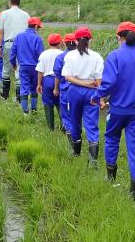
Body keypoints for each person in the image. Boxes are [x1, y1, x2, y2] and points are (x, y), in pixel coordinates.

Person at [98, 22, 135, 200]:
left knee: (111, 140)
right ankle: (134, 192)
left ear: (119, 37)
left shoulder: (114, 56)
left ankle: (111, 177)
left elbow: (109, 83)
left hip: (118, 109)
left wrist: (98, 95)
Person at [62, 27, 104, 166]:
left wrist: (81, 83)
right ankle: (93, 160)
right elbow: (99, 80)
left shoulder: (70, 56)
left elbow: (67, 77)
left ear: (75, 40)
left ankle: (76, 152)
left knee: (74, 121)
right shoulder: (97, 56)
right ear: (90, 40)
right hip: (92, 91)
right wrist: (101, 97)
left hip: (74, 91)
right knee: (92, 123)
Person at [0, 0, 30, 101]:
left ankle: (4, 96)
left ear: (10, 2)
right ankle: (18, 97)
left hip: (9, 44)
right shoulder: (26, 15)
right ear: (19, 2)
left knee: (6, 69)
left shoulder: (4, 14)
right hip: (22, 45)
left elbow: (0, 32)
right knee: (19, 70)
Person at [10, 17, 44, 115]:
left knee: (24, 87)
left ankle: (25, 112)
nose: (39, 29)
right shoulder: (37, 38)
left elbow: (13, 52)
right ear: (36, 26)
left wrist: (13, 64)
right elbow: (41, 55)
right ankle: (34, 110)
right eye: (39, 27)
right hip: (35, 67)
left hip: (23, 66)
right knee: (34, 88)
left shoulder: (19, 36)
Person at [36, 33, 64, 130]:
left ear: (49, 43)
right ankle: (64, 127)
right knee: (61, 104)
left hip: (47, 79)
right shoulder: (62, 54)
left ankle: (50, 127)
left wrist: (39, 84)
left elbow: (40, 71)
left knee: (48, 104)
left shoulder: (44, 54)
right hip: (60, 79)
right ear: (60, 42)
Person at [53, 33, 77, 140]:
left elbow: (57, 75)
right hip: (80, 89)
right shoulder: (81, 55)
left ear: (64, 43)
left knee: (66, 115)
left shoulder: (60, 57)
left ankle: (71, 140)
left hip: (66, 90)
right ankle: (77, 135)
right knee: (77, 114)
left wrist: (56, 88)